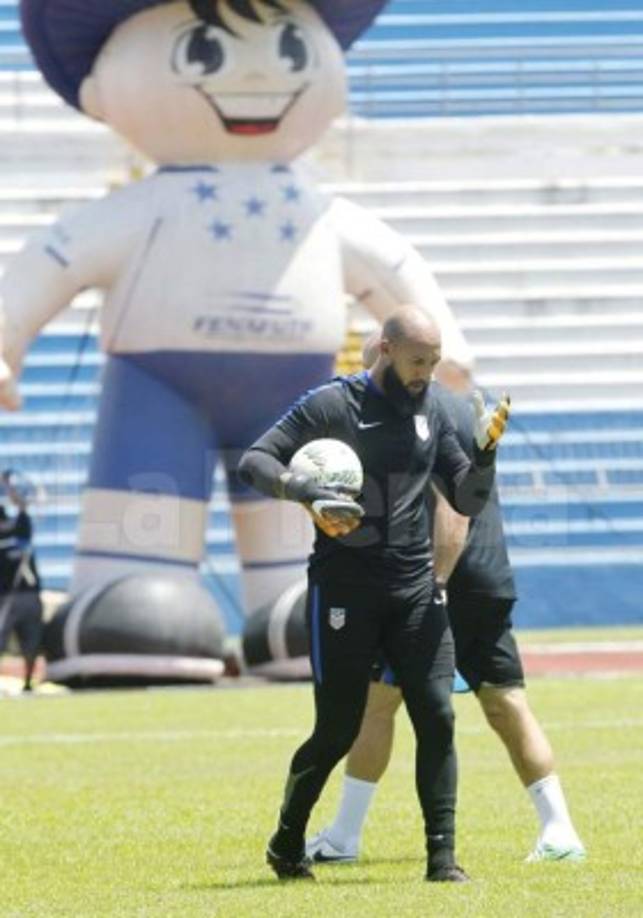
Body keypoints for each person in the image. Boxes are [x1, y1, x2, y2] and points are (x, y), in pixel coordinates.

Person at [238, 305, 510, 882]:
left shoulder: (435, 408)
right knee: (337, 729)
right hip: (345, 591)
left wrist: (484, 458)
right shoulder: (332, 404)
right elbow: (254, 460)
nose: (426, 373)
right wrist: (301, 489)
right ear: (385, 349)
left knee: (436, 715)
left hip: (416, 591)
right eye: (417, 361)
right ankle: (287, 841)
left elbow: (464, 498)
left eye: (434, 363)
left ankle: (442, 859)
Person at [306, 355, 586, 865]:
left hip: (440, 579)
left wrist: (432, 585)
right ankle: (559, 830)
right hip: (490, 576)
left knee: (377, 703)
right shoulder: (460, 410)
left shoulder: (423, 415)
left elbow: (451, 514)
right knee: (506, 703)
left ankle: (344, 836)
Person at [0, 470, 43, 693]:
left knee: (31, 641)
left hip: (28, 595)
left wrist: (8, 486)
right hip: (6, 598)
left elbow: (23, 507)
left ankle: (28, 683)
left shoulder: (20, 528)